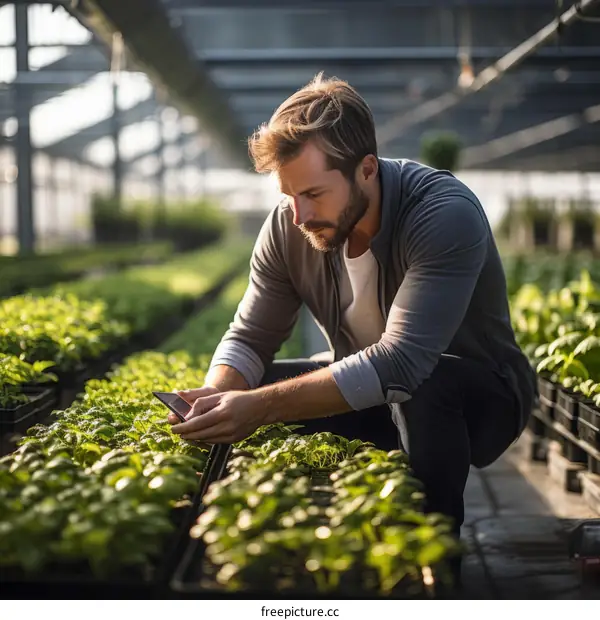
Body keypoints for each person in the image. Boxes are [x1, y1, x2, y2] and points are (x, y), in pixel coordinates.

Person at [168, 73, 536, 550]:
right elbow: (250, 337)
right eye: (288, 196)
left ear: (366, 169)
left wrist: (259, 407)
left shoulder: (443, 214)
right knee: (249, 389)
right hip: (377, 396)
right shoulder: (290, 225)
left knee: (422, 384)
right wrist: (216, 399)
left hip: (475, 401)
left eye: (314, 194)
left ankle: (435, 551)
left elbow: (402, 362)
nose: (298, 215)